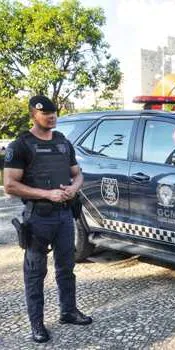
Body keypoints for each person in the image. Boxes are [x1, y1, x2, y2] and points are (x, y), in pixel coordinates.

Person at [3, 96, 91, 343]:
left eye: (54, 113)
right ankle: (37, 325)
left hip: (64, 215)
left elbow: (78, 174)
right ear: (34, 115)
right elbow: (10, 186)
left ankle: (69, 311)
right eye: (46, 114)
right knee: (35, 273)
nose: (51, 117)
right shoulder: (20, 145)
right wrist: (47, 194)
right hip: (37, 218)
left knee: (67, 268)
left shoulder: (63, 142)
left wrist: (74, 188)